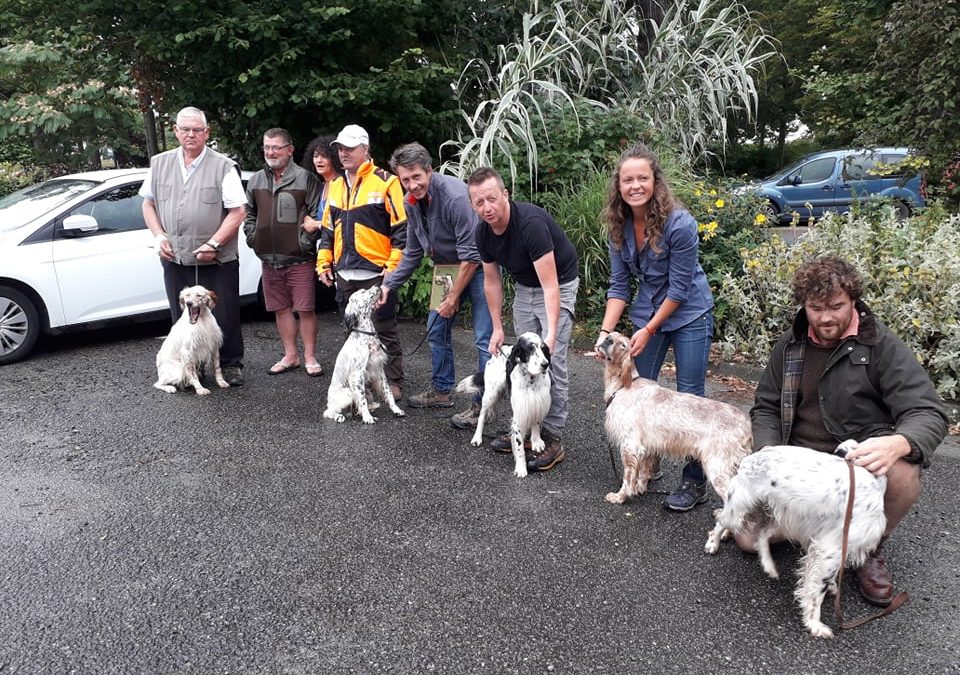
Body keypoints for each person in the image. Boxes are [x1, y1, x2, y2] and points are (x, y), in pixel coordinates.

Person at [749, 255, 947, 607]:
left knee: (902, 472)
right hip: (802, 460)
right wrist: (768, 453)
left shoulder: (881, 345)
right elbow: (765, 405)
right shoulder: (790, 344)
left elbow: (927, 411)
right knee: (748, 541)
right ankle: (822, 531)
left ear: (853, 300)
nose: (826, 317)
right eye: (816, 307)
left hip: (856, 459)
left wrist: (900, 442)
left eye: (836, 306)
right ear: (804, 306)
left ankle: (866, 548)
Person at [594, 142, 715, 511]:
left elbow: (679, 288)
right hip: (648, 312)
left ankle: (694, 482)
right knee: (638, 392)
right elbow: (618, 286)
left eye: (642, 178)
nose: (635, 186)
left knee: (689, 396)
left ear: (654, 181)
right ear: (619, 184)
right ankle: (647, 466)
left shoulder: (680, 223)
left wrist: (647, 330)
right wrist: (604, 333)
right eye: (627, 179)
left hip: (689, 311)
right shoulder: (619, 225)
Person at [466, 167, 579, 472]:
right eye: (479, 202)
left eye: (491, 198)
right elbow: (491, 281)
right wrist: (497, 328)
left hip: (558, 282)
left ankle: (552, 437)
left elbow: (551, 284)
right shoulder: (483, 233)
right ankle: (524, 427)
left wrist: (552, 333)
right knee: (524, 361)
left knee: (550, 361)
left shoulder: (529, 225)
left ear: (505, 195)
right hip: (525, 286)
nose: (486, 207)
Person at [380, 142, 493, 429]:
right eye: (405, 179)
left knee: (484, 340)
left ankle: (482, 406)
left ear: (429, 170)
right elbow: (413, 251)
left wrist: (453, 297)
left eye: (416, 176)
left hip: (478, 267)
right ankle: (442, 391)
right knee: (435, 328)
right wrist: (389, 284)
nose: (412, 185)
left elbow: (471, 256)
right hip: (445, 268)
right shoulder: (411, 202)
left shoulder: (455, 197)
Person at [140, 106, 247, 386]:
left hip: (216, 258)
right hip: (174, 257)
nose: (191, 134)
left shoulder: (223, 166)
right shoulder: (160, 163)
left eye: (197, 130)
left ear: (206, 133)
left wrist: (215, 242)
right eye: (185, 129)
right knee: (184, 317)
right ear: (175, 131)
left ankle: (230, 363)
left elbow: (238, 211)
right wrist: (159, 236)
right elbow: (148, 203)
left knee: (223, 314)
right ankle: (193, 368)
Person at [316, 124, 407, 398]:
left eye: (350, 148)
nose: (343, 153)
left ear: (365, 150)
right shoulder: (335, 184)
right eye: (340, 148)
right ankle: (360, 382)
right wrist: (323, 262)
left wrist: (391, 270)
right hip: (343, 271)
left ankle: (392, 381)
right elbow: (327, 229)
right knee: (351, 328)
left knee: (383, 327)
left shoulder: (387, 181)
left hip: (376, 270)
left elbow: (401, 230)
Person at [243, 128, 323, 376]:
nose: (271, 152)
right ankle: (290, 356)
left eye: (276, 147)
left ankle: (310, 357)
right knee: (280, 308)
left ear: (290, 150)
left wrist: (304, 243)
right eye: (267, 147)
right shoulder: (256, 180)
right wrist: (253, 238)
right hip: (268, 258)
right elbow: (249, 213)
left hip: (299, 258)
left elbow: (316, 215)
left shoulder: (306, 178)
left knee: (305, 308)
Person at [300, 135, 344, 231]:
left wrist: (315, 224)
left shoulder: (342, 184)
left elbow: (342, 221)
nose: (319, 160)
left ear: (334, 158)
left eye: (324, 156)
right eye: (316, 156)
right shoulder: (322, 185)